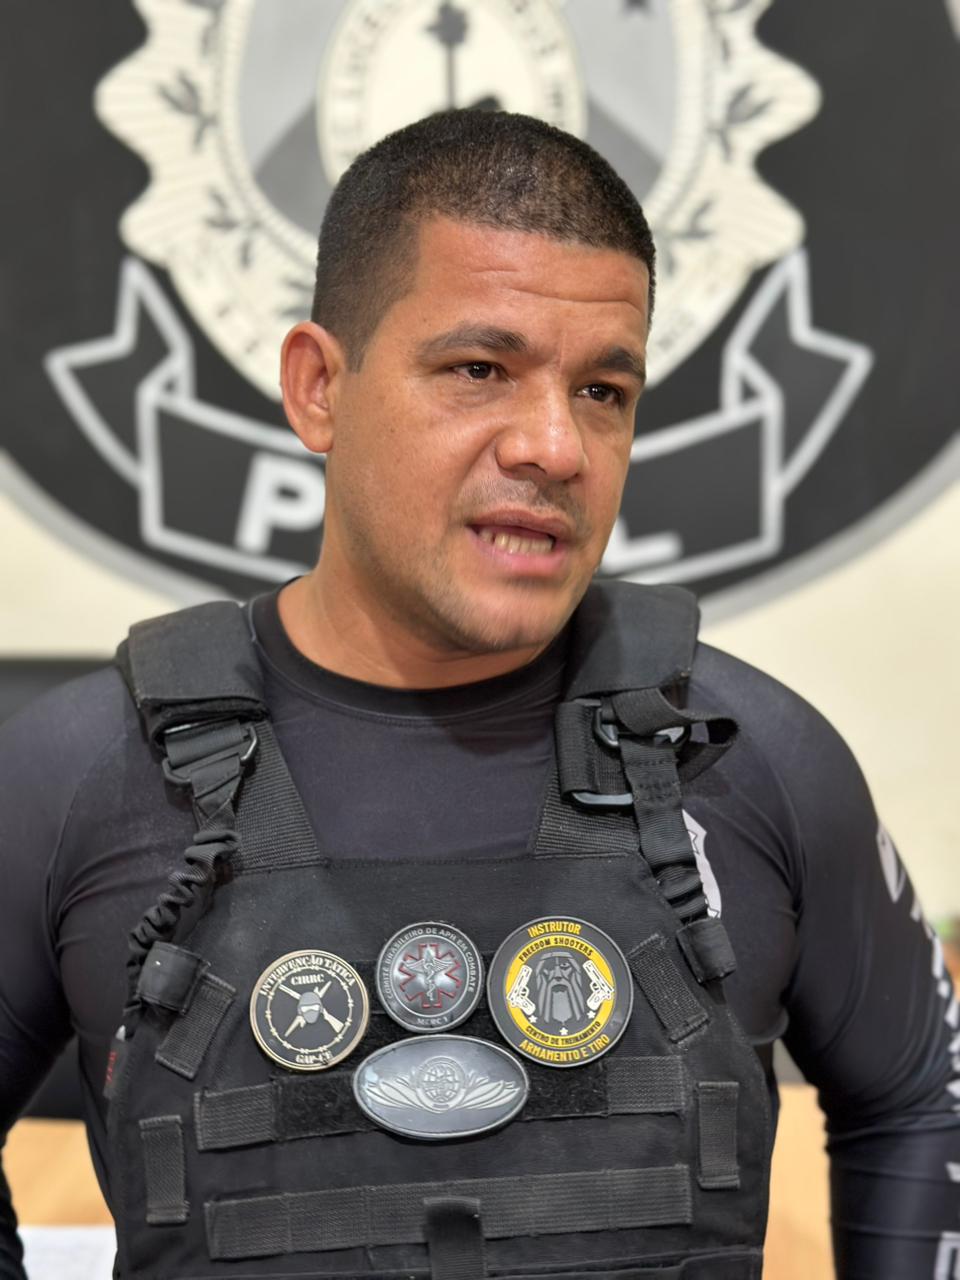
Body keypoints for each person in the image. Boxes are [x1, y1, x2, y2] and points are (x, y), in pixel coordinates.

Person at [0, 109, 957, 1279]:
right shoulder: (76, 780)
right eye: (479, 370)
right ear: (319, 387)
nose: (556, 446)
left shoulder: (755, 763)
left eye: (603, 389)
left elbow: (920, 1096)